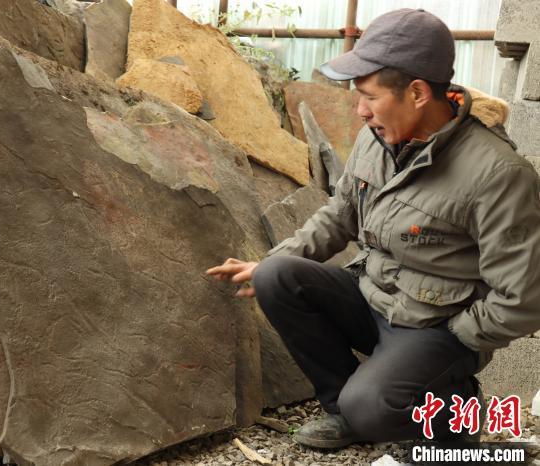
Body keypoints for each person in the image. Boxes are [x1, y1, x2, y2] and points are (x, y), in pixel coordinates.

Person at [207, 8, 540, 449]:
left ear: (417, 92)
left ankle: (455, 413)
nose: (359, 109)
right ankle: (344, 411)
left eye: (369, 96)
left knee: (373, 408)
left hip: (434, 325)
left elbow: (523, 298)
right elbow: (341, 212)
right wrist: (271, 261)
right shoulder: (379, 136)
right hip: (373, 296)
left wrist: (461, 338)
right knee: (277, 276)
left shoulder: (498, 174)